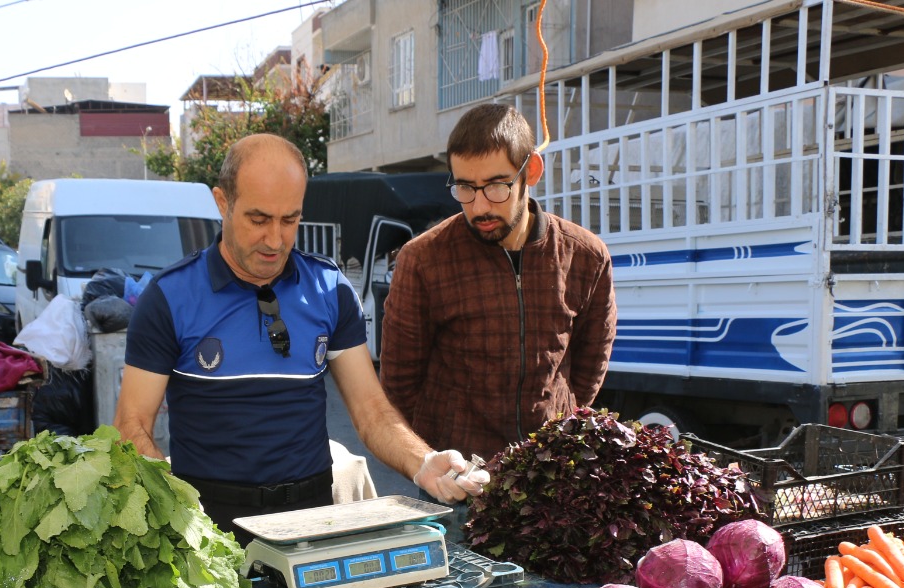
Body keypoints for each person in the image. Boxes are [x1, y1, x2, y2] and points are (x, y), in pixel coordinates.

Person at [114, 133, 485, 537]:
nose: (275, 240)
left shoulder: (330, 289)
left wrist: (423, 461)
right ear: (223, 203)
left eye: (289, 220)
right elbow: (131, 428)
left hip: (313, 519)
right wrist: (179, 519)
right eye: (258, 219)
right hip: (209, 523)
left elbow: (371, 412)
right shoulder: (169, 297)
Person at [381, 102, 617, 462]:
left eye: (496, 186)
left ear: (531, 170)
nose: (478, 207)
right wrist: (437, 456)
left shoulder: (586, 256)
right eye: (465, 187)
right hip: (456, 478)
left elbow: (590, 365)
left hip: (550, 474)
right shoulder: (423, 260)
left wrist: (558, 429)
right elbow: (399, 383)